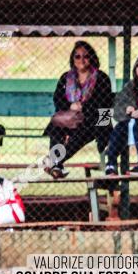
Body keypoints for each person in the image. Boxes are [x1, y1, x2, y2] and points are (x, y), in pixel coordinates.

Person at [45, 41, 113, 178]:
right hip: (72, 118)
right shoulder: (66, 78)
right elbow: (57, 99)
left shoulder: (101, 77)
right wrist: (70, 106)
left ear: (92, 58)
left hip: (96, 119)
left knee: (83, 130)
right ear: (72, 59)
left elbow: (104, 103)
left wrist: (83, 107)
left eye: (86, 56)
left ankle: (55, 161)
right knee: (57, 124)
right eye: (77, 56)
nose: (82, 60)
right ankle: (56, 164)